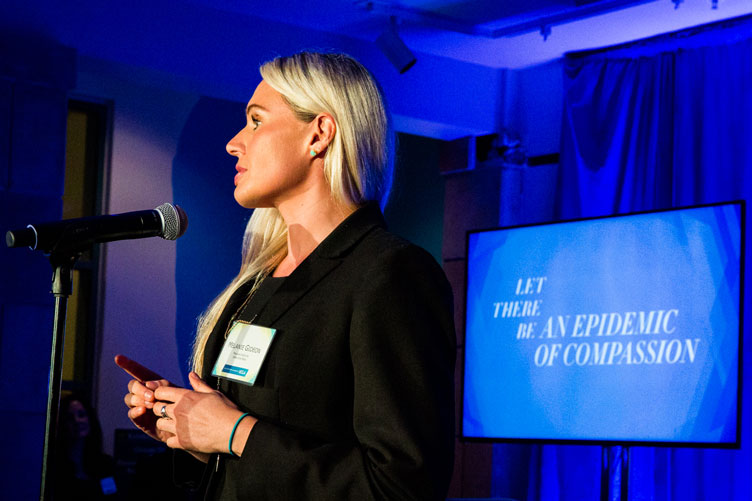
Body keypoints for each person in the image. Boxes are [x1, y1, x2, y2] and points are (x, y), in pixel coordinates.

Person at [119, 51, 456, 500]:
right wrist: (189, 426)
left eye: (256, 121)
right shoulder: (257, 285)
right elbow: (266, 452)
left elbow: (400, 485)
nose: (234, 142)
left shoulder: (391, 274)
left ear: (319, 134)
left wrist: (236, 432)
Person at [56, 393, 118, 499]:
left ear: (90, 419)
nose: (77, 421)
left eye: (81, 415)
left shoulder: (105, 464)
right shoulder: (56, 466)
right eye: (70, 417)